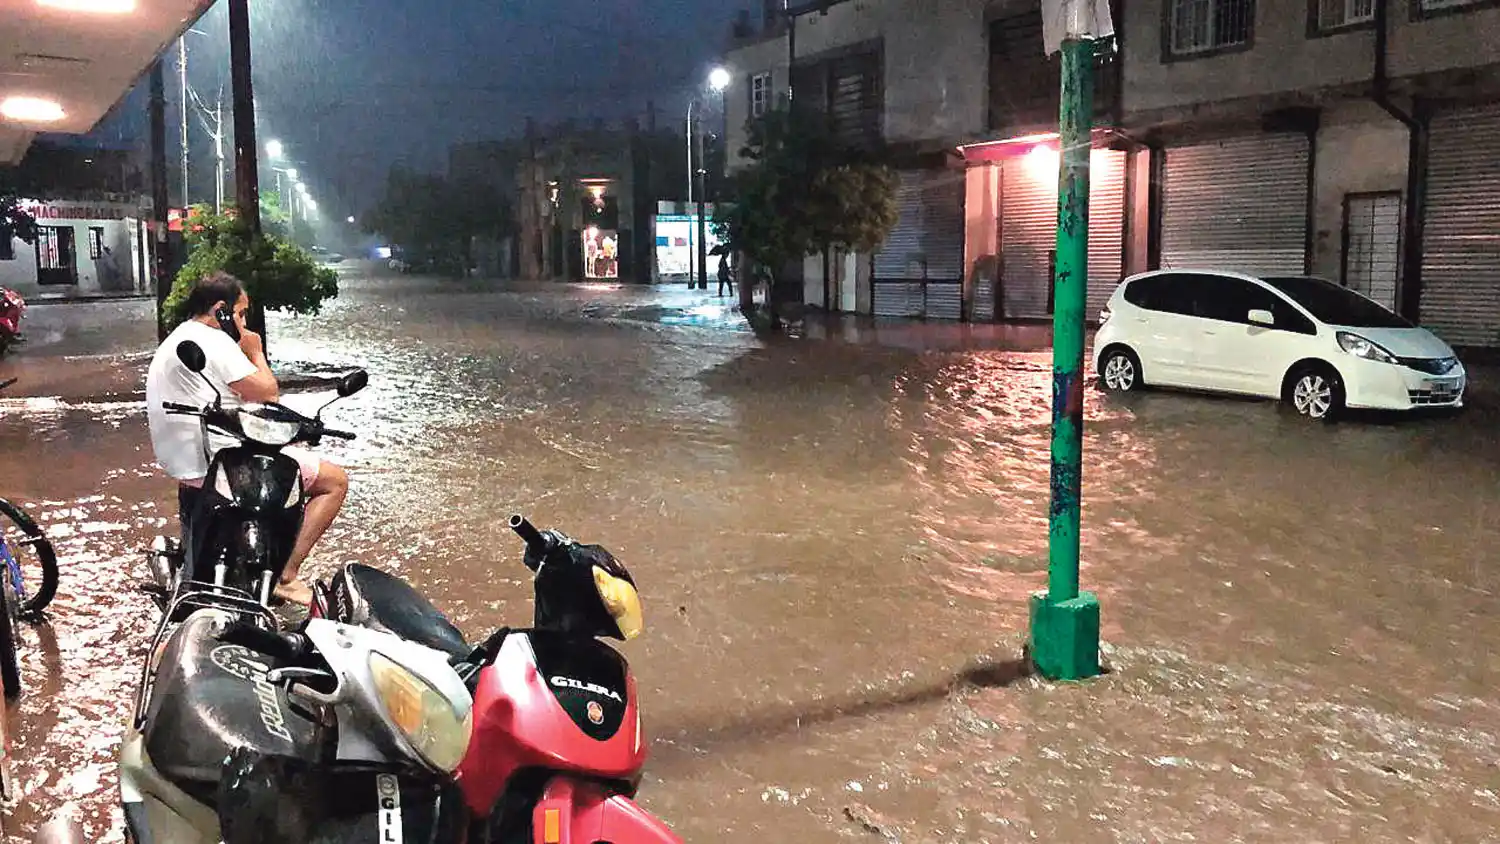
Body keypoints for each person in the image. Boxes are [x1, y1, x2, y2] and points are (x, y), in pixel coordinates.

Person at [144, 271, 347, 605]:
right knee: (335, 481)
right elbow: (267, 393)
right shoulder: (215, 340)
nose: (243, 322)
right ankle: (286, 575)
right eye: (240, 313)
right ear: (221, 310)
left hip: (185, 463)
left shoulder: (181, 335)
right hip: (219, 460)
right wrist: (255, 350)